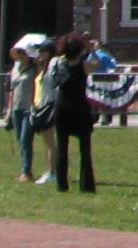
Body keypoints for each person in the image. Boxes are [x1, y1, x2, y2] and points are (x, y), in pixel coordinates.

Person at [47, 35, 96, 193]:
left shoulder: (59, 64)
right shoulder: (84, 65)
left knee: (62, 147)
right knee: (85, 149)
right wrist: (92, 51)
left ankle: (62, 185)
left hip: (62, 107)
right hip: (80, 107)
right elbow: (98, 65)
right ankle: (86, 185)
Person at [7, 42, 41, 182]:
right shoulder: (15, 69)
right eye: (17, 53)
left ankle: (26, 172)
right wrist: (8, 110)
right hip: (16, 107)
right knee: (20, 140)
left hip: (29, 108)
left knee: (25, 138)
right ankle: (25, 169)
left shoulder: (35, 70)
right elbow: (11, 90)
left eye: (21, 52)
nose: (18, 55)